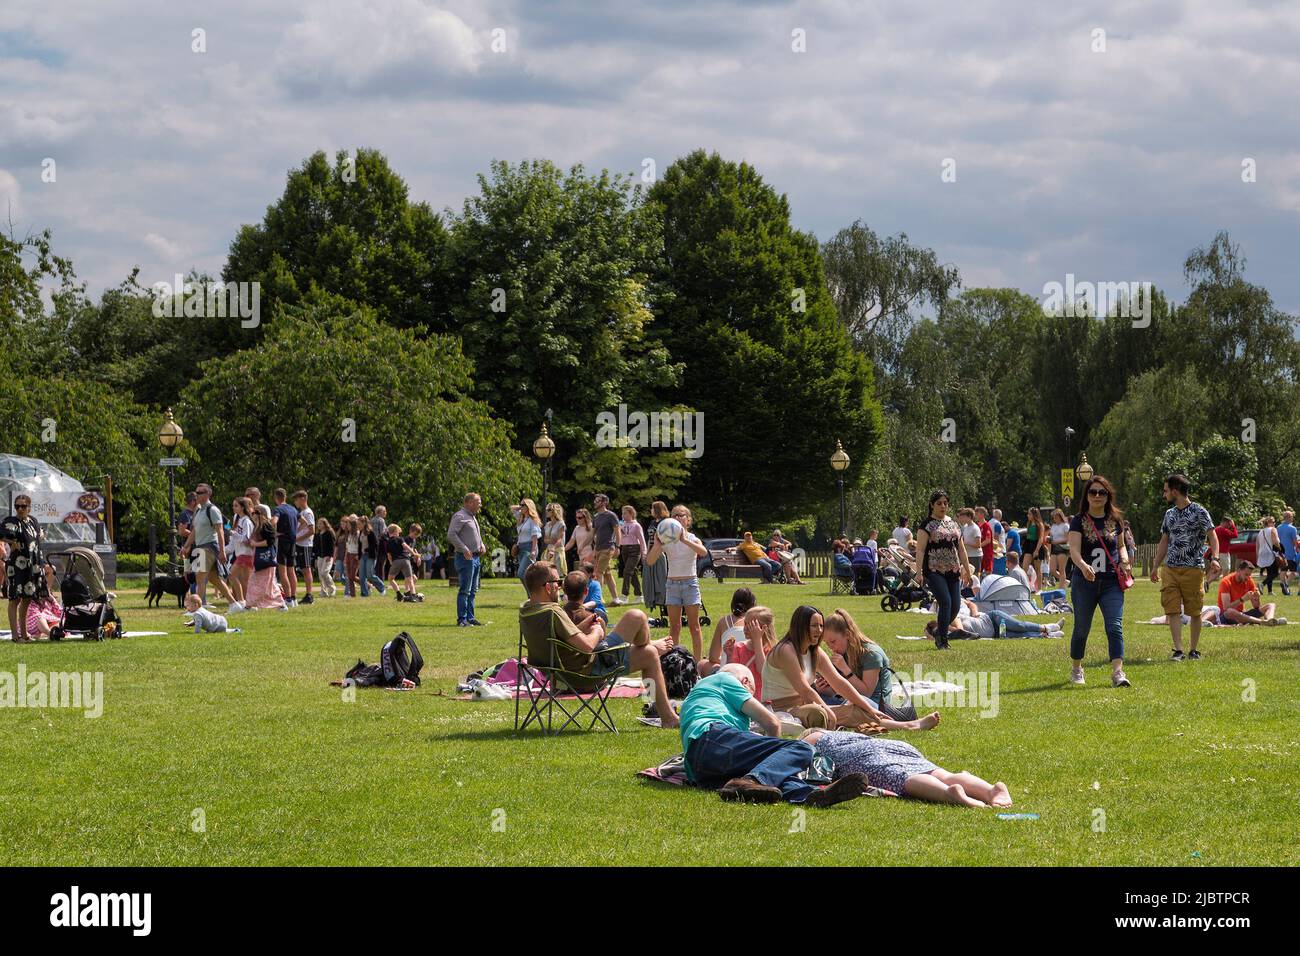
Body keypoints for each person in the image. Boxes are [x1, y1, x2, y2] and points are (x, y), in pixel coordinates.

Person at [679, 663, 872, 807]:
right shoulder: (724, 679)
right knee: (801, 748)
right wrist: (778, 752)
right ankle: (751, 781)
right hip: (714, 738)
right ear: (745, 682)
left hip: (699, 769)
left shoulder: (696, 697)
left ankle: (809, 795)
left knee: (769, 771)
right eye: (751, 692)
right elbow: (771, 722)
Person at [520, 561, 679, 727]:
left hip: (557, 675)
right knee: (638, 620)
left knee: (648, 651)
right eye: (557, 582)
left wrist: (585, 626)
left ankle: (662, 710)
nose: (559, 587)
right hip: (585, 672)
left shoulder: (527, 610)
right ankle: (666, 716)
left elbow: (560, 640)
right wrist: (597, 631)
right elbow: (588, 646)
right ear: (547, 587)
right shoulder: (553, 610)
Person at [763, 605, 940, 731]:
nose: (819, 630)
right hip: (780, 711)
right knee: (818, 712)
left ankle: (910, 725)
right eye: (814, 626)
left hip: (803, 707)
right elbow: (803, 688)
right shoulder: (786, 650)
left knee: (858, 707)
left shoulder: (816, 652)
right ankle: (908, 725)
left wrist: (868, 708)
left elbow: (839, 683)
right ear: (801, 627)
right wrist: (826, 709)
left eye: (821, 626)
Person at [803, 728, 1012, 807]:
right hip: (894, 745)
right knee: (940, 772)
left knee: (901, 777)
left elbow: (812, 767)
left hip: (862, 755)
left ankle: (949, 794)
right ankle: (992, 790)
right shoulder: (845, 734)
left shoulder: (811, 740)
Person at [1066, 474, 1131, 687]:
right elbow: (1074, 550)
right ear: (1087, 495)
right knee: (1082, 628)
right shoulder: (1079, 520)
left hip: (1111, 582)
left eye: (1101, 492)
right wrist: (1084, 567)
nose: (1096, 496)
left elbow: (1121, 545)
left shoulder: (1115, 520)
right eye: (1092, 492)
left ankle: (1118, 673)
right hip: (1084, 582)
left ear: (1107, 495)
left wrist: (1124, 559)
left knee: (1114, 626)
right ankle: (1077, 668)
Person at [1151, 473, 1219, 661]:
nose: (1164, 495)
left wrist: (1215, 558)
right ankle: (1179, 650)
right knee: (1172, 609)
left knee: (1195, 611)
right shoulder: (1169, 514)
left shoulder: (1199, 511)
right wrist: (1155, 566)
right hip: (1170, 569)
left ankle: (1193, 650)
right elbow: (1164, 541)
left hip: (1193, 569)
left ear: (1175, 491)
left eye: (1166, 491)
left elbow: (1212, 536)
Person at [644, 505, 708, 661]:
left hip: (690, 584)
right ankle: (675, 662)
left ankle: (698, 663)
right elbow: (650, 561)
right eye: (675, 515)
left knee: (694, 626)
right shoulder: (667, 540)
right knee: (675, 627)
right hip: (672, 585)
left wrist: (684, 540)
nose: (678, 518)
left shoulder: (693, 538)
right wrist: (657, 545)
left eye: (681, 515)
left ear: (688, 520)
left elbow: (703, 552)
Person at [915, 490, 972, 651]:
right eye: (939, 503)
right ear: (932, 505)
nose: (943, 506)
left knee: (956, 605)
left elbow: (961, 550)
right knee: (945, 602)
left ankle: (938, 630)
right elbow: (920, 550)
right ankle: (942, 639)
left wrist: (967, 570)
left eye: (945, 503)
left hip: (953, 570)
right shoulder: (926, 525)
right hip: (934, 570)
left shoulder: (953, 524)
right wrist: (918, 572)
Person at [819, 607, 896, 714]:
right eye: (827, 643)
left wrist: (845, 670)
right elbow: (840, 691)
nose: (831, 647)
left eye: (833, 641)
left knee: (841, 706)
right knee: (814, 698)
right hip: (851, 701)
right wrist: (824, 689)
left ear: (847, 634)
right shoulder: (843, 652)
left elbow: (866, 693)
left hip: (875, 706)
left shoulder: (871, 654)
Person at [179, 484, 238, 608]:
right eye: (196, 492)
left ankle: (198, 608)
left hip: (209, 547)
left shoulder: (213, 510)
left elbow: (220, 531)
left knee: (199, 576)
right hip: (200, 547)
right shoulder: (199, 511)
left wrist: (222, 551)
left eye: (200, 492)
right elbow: (194, 531)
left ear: (207, 494)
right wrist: (186, 546)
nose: (197, 495)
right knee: (214, 578)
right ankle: (234, 604)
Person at [2, 495, 47, 643]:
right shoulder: (11, 522)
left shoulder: (33, 521)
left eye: (23, 506)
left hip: (32, 566)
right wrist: (10, 541)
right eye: (17, 506)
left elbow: (38, 537)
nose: (20, 509)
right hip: (16, 566)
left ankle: (25, 633)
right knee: (14, 599)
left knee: (27, 599)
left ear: (29, 507)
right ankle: (15, 636)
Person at [927, 599, 1064, 641]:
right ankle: (1049, 635)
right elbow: (927, 634)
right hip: (995, 633)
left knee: (1019, 626)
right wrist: (933, 634)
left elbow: (961, 631)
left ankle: (1048, 627)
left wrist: (945, 629)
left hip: (992, 619)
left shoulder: (952, 618)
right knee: (1022, 635)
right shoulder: (946, 636)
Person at [701, 587, 758, 676]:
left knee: (702, 664)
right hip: (752, 673)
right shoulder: (758, 623)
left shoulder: (724, 622)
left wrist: (722, 659)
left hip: (728, 672)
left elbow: (713, 657)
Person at [1217, 560, 1286, 626]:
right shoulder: (1226, 582)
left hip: (1242, 614)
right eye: (1246, 574)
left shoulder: (1249, 581)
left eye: (1249, 575)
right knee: (1230, 611)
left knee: (1271, 605)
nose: (1248, 577)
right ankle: (1261, 622)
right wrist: (1242, 599)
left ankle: (1270, 620)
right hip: (1228, 616)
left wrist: (1257, 598)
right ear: (1238, 570)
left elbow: (1256, 607)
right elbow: (1226, 608)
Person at [243, 509, 287, 610]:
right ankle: (251, 604)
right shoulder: (257, 527)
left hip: (265, 559)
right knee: (263, 583)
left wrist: (255, 544)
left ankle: (251, 605)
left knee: (263, 583)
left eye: (255, 513)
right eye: (252, 514)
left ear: (261, 514)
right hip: (259, 558)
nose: (253, 515)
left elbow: (270, 541)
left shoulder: (265, 526)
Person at [270, 489, 300, 607]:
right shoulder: (293, 509)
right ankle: (294, 597)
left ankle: (287, 598)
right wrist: (294, 531)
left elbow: (274, 521)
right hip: (292, 541)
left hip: (282, 541)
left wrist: (274, 532)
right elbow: (303, 522)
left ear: (276, 497)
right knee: (291, 570)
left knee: (282, 571)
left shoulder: (278, 509)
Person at [590, 494, 620, 606]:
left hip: (608, 548)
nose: (595, 502)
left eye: (597, 500)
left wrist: (617, 547)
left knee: (599, 572)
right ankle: (616, 599)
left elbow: (617, 532)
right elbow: (593, 534)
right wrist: (592, 548)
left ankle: (598, 600)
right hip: (598, 549)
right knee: (607, 573)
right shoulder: (596, 517)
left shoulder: (611, 516)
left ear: (603, 502)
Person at [641, 501, 670, 612]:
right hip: (651, 553)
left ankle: (662, 600)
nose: (651, 511)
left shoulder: (665, 522)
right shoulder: (653, 522)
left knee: (660, 578)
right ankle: (652, 600)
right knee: (649, 579)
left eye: (652, 509)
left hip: (660, 553)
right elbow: (650, 540)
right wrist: (647, 553)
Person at [227, 496, 256, 604]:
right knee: (244, 580)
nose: (234, 508)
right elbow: (236, 541)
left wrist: (233, 534)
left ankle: (241, 601)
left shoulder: (246, 521)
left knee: (232, 575)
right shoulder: (238, 519)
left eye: (236, 506)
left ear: (242, 508)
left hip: (246, 553)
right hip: (241, 554)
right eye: (233, 505)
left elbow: (247, 539)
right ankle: (247, 602)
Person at [616, 505, 647, 605]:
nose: (623, 515)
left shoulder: (636, 525)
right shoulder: (622, 524)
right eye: (622, 513)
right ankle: (639, 595)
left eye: (625, 513)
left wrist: (644, 553)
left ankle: (624, 595)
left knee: (627, 571)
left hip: (635, 549)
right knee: (632, 572)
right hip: (624, 549)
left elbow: (642, 540)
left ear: (631, 514)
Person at [513, 498, 543, 593]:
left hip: (529, 547)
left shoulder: (532, 520)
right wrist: (520, 507)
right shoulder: (521, 519)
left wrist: (533, 550)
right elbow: (512, 509)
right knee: (526, 574)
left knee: (522, 573)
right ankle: (531, 596)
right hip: (520, 548)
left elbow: (535, 536)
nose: (521, 507)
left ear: (528, 507)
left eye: (523, 505)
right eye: (520, 505)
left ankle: (533, 594)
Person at [292, 490, 315, 605]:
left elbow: (312, 530)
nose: (295, 502)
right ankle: (308, 594)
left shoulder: (307, 513)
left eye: (296, 499)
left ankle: (309, 594)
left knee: (306, 569)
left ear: (302, 499)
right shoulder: (302, 512)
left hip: (305, 545)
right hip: (300, 544)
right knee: (304, 569)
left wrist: (297, 539)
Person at [385, 523, 420, 598]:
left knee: (391, 579)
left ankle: (398, 594)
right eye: (398, 532)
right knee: (410, 579)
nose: (399, 533)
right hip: (405, 560)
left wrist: (392, 563)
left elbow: (389, 555)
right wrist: (414, 554)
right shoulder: (400, 539)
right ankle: (413, 595)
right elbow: (406, 547)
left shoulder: (387, 542)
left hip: (396, 561)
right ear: (395, 532)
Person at [1256, 515, 1288, 596]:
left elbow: (1257, 545)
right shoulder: (1273, 529)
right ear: (1269, 523)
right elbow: (1275, 542)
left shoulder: (1260, 531)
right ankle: (1262, 584)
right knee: (1275, 573)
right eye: (1273, 522)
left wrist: (1257, 556)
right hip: (1271, 553)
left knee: (1270, 573)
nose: (1274, 524)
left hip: (1262, 554)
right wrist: (1280, 549)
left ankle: (1270, 591)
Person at [358, 512, 387, 597]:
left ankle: (382, 588)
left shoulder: (370, 533)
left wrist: (366, 549)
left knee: (370, 575)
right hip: (362, 557)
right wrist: (359, 555)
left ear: (364, 523)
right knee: (362, 576)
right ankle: (364, 593)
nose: (358, 526)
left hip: (370, 556)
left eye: (359, 524)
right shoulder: (360, 533)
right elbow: (359, 545)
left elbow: (375, 545)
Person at [1207, 515, 1239, 588]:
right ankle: (1225, 585)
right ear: (1225, 522)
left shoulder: (1216, 529)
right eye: (1228, 524)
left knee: (1219, 570)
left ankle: (1207, 583)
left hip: (1216, 553)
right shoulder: (1222, 529)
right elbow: (1235, 535)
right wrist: (1233, 526)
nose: (1229, 526)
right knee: (1226, 569)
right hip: (1223, 552)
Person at [1023, 507, 1047, 591]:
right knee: (1024, 568)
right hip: (1028, 545)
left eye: (1029, 514)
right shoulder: (1028, 523)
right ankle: (1025, 587)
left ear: (1034, 515)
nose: (1028, 515)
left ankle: (1040, 589)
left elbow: (1041, 538)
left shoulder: (1040, 524)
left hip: (1037, 546)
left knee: (1037, 569)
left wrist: (1036, 550)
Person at [313, 517, 337, 598]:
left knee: (324, 573)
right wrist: (316, 558)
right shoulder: (318, 534)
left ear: (325, 524)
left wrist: (330, 555)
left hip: (328, 556)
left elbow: (332, 545)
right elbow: (316, 547)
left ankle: (332, 588)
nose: (319, 525)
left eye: (320, 523)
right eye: (318, 524)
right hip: (320, 556)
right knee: (320, 575)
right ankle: (323, 592)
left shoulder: (329, 533)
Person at [541, 503, 567, 576]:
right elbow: (545, 540)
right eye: (546, 510)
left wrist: (553, 547)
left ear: (555, 511)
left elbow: (560, 539)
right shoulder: (547, 525)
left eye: (549, 510)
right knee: (548, 574)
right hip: (548, 551)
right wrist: (552, 540)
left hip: (557, 551)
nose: (546, 511)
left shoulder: (561, 524)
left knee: (558, 574)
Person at [1048, 508, 1071, 588]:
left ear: (1060, 516)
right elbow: (1052, 537)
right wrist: (1049, 539)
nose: (1055, 518)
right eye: (1054, 517)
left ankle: (1061, 589)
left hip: (1063, 548)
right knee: (1052, 570)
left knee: (1061, 569)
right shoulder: (1053, 526)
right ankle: (1065, 581)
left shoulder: (1065, 526)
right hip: (1054, 548)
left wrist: (1056, 541)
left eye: (1056, 516)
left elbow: (1068, 539)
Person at [341, 515, 361, 597]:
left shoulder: (358, 534)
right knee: (349, 576)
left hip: (355, 555)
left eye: (348, 525)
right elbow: (347, 547)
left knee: (352, 576)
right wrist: (345, 558)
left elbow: (361, 546)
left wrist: (358, 555)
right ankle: (352, 594)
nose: (347, 526)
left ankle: (367, 585)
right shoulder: (348, 534)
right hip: (349, 555)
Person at [1278, 510, 1299, 590]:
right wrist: (1297, 549)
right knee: (1293, 572)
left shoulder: (1278, 528)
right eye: (1292, 517)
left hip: (1281, 553)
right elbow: (1295, 542)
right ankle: (1285, 584)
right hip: (1290, 553)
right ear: (1289, 517)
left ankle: (1282, 583)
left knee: (1283, 570)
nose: (1292, 518)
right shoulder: (1292, 528)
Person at [974, 506, 995, 575]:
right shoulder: (977, 525)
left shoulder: (986, 526)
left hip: (987, 553)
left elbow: (988, 540)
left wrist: (978, 546)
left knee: (988, 573)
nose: (975, 516)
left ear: (982, 514)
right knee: (978, 572)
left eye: (977, 514)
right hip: (980, 553)